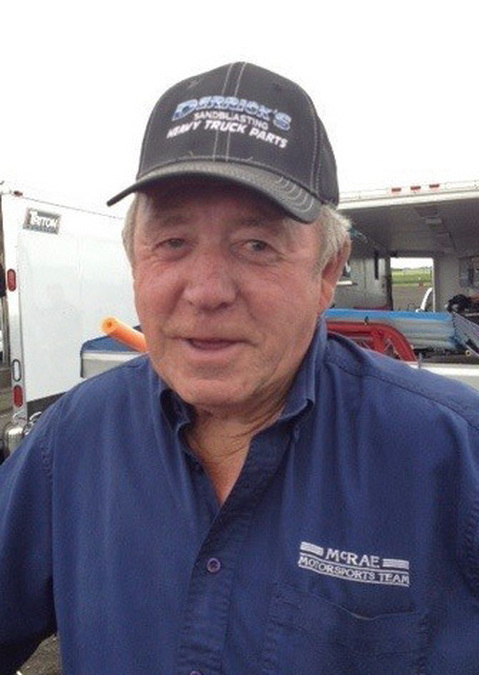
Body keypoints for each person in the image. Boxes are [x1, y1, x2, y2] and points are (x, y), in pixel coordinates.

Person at [1, 62, 479, 674]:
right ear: (135, 263)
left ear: (328, 271)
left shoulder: (454, 456)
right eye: (172, 243)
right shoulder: (73, 440)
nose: (206, 292)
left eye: (256, 245)